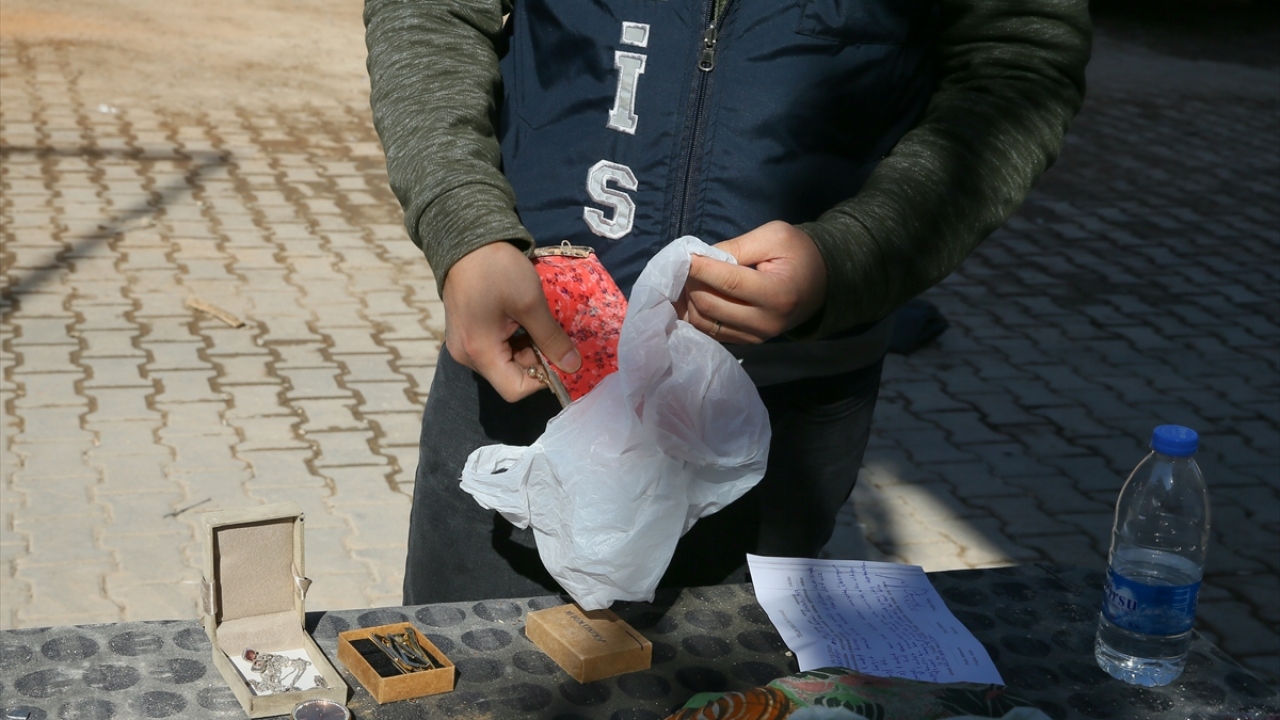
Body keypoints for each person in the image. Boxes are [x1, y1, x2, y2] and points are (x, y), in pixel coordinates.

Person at [364, 0, 1091, 605]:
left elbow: (1020, 55)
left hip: (785, 408)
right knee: (471, 689)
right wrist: (462, 223)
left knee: (733, 693)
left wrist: (856, 253)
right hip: (527, 363)